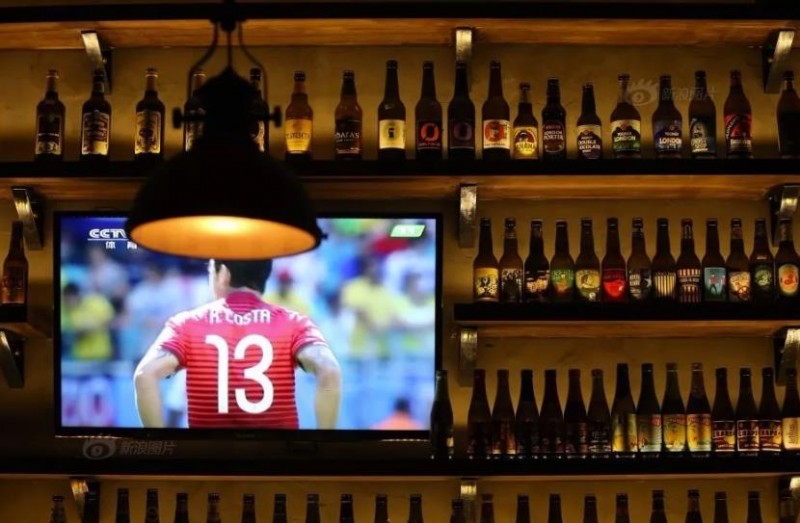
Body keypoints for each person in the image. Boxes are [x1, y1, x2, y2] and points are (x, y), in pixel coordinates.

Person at [133, 259, 342, 429]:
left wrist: (161, 446)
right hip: (276, 458)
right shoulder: (295, 323)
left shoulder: (186, 323)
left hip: (207, 458)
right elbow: (329, 370)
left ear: (223, 273)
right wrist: (323, 446)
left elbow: (144, 376)